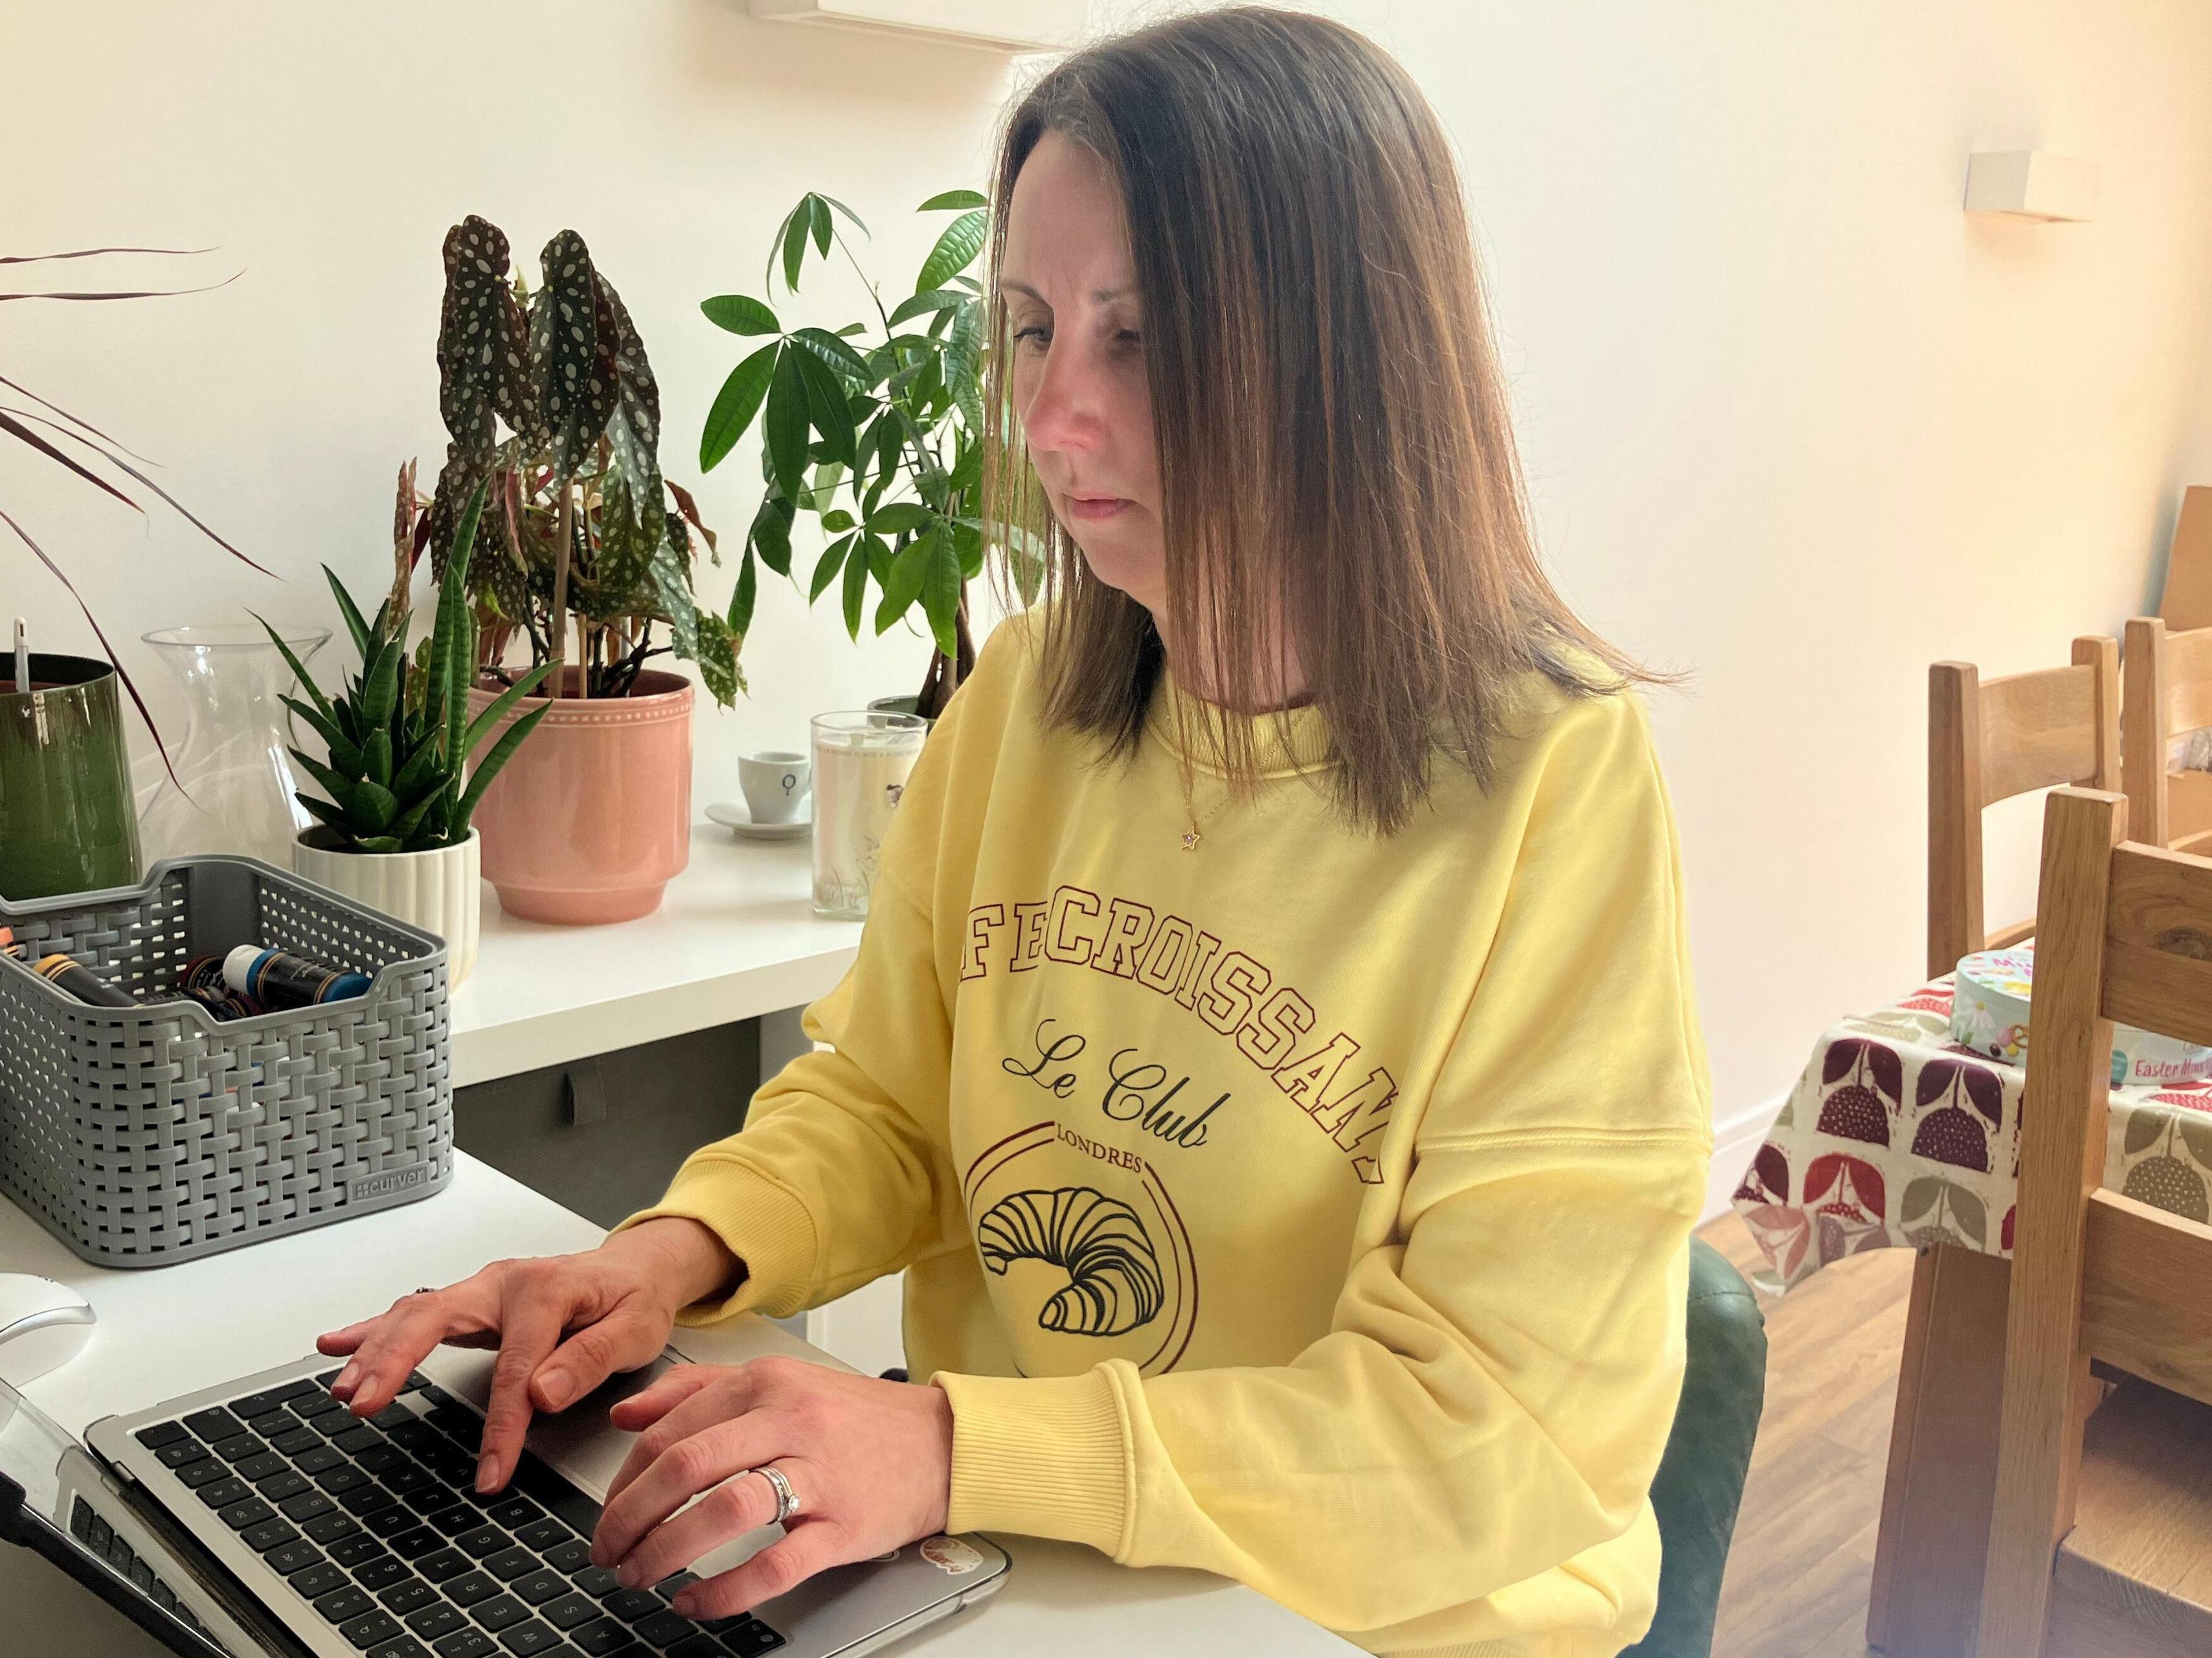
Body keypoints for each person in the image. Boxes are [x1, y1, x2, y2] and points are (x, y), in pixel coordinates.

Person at [315, 8, 1712, 1653]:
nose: (1050, 420)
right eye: (1038, 329)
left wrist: (956, 1446)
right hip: (1018, 1564)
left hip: (1367, 1618)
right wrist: (679, 1250)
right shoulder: (1031, 689)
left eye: (1140, 338)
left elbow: (1508, 1425)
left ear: (1347, 359)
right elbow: (894, 1103)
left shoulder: (1557, 778)